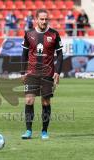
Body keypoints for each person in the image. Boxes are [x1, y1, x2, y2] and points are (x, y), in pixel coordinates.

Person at [21, 9, 63, 140]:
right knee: (29, 100)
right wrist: (23, 71)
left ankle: (44, 131)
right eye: (42, 19)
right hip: (32, 72)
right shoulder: (29, 34)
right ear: (36, 19)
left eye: (46, 19)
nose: (44, 22)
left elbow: (60, 54)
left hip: (47, 73)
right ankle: (28, 131)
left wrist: (57, 72)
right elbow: (24, 54)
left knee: (45, 102)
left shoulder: (54, 34)